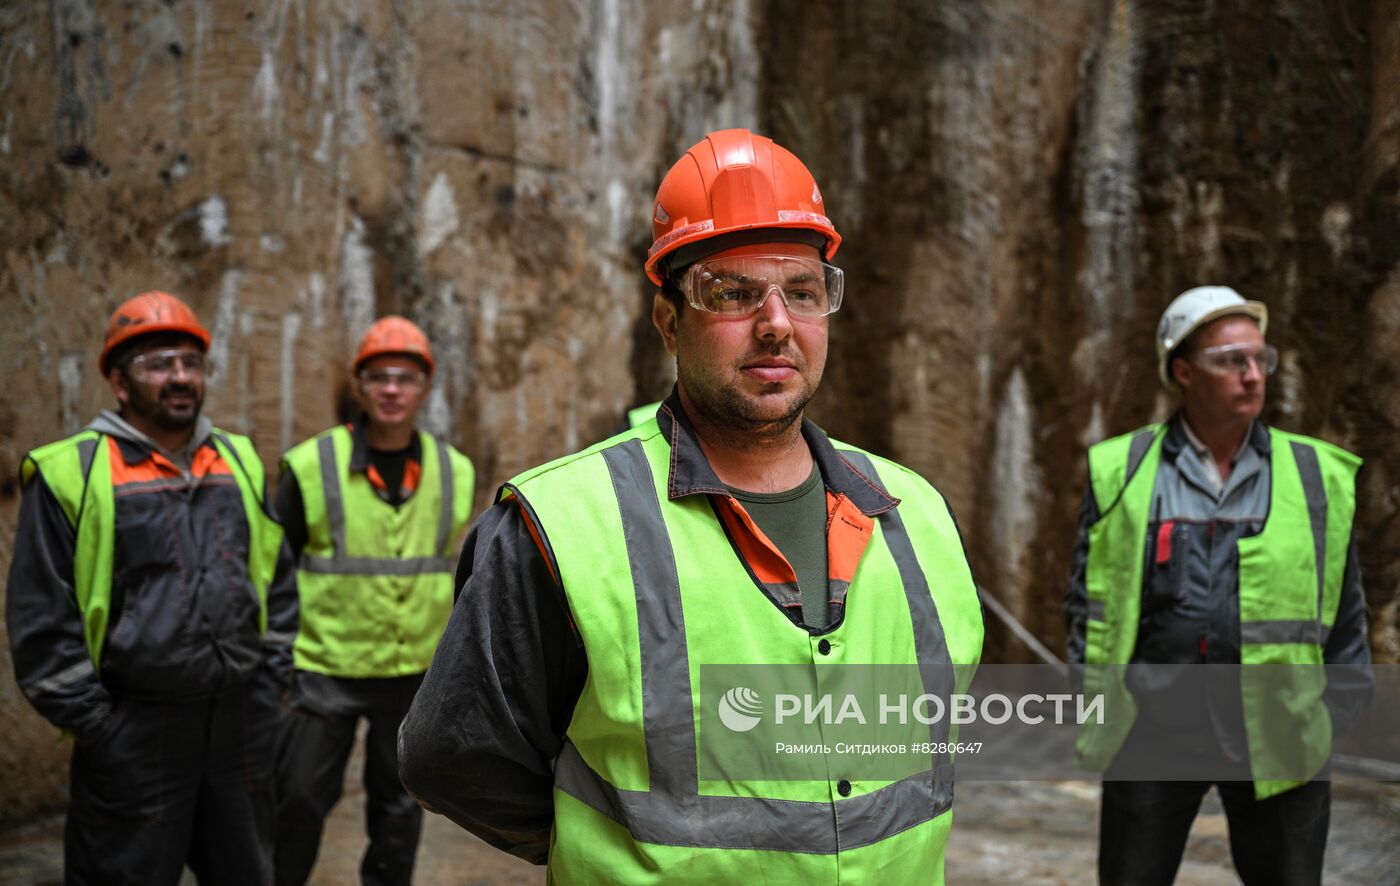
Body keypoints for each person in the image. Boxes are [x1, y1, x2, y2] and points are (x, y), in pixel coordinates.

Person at [398, 128, 984, 883]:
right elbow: (454, 758)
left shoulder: (918, 513)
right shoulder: (562, 526)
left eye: (802, 291)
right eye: (732, 292)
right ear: (670, 322)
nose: (776, 322)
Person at [1065, 286, 1373, 885]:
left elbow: (1345, 611)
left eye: (1261, 359)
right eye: (1232, 360)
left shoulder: (1316, 475)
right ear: (1183, 371)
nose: (1253, 375)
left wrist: (1331, 716)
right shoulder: (1122, 470)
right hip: (1152, 735)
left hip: (1282, 736)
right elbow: (1087, 604)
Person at [6, 290, 297, 885]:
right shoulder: (71, 472)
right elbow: (41, 619)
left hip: (239, 722)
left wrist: (269, 685)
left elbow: (277, 578)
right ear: (119, 382)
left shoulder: (237, 459)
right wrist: (99, 726)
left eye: (191, 363)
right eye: (159, 364)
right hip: (134, 730)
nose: (180, 377)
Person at [273, 316, 475, 886]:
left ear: (424, 390)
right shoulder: (310, 467)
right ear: (359, 387)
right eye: (379, 377)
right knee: (296, 800)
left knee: (400, 810)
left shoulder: (454, 470)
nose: (392, 389)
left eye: (405, 378)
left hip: (411, 671)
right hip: (324, 667)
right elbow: (274, 571)